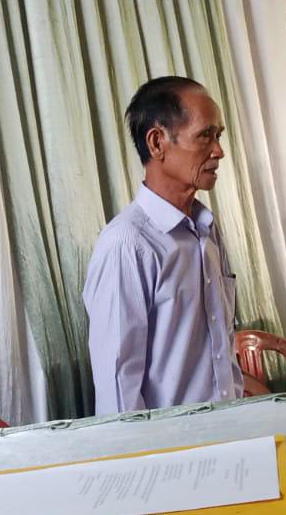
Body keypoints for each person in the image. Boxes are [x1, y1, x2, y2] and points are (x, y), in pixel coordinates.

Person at [83, 76, 243, 414]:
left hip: (227, 428)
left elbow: (221, 348)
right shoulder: (128, 244)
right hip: (173, 441)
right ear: (157, 143)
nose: (219, 151)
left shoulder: (206, 229)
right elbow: (118, 391)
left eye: (219, 136)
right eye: (205, 135)